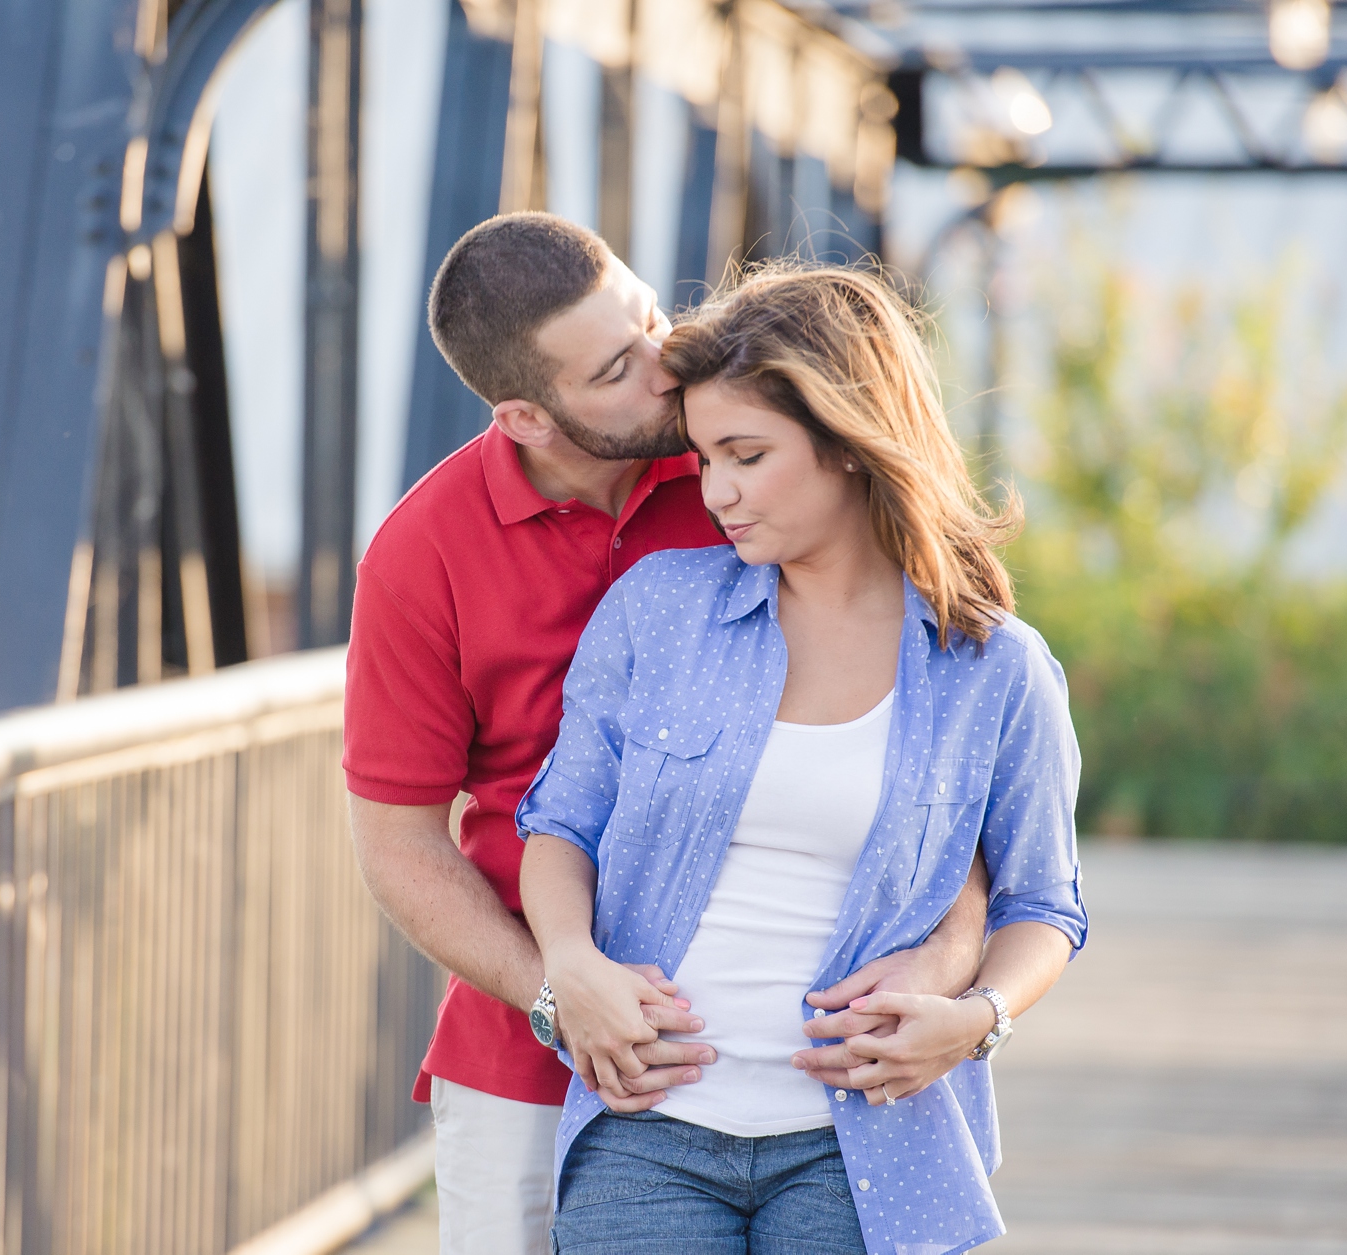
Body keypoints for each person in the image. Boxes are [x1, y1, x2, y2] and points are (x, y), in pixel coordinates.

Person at [343, 215, 994, 1255]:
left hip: (790, 1068)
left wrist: (945, 960)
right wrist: (558, 992)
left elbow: (938, 770)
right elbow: (397, 843)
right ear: (523, 415)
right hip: (522, 1049)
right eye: (613, 368)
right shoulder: (420, 556)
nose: (663, 367)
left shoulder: (752, 473)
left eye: (650, 318)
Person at [516, 262, 1087, 1255]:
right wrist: (569, 967)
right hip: (646, 1127)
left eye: (745, 454)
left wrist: (976, 1018)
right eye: (702, 459)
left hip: (862, 1141)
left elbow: (1042, 903)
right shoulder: (659, 609)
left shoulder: (994, 668)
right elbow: (558, 825)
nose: (717, 492)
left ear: (849, 440)